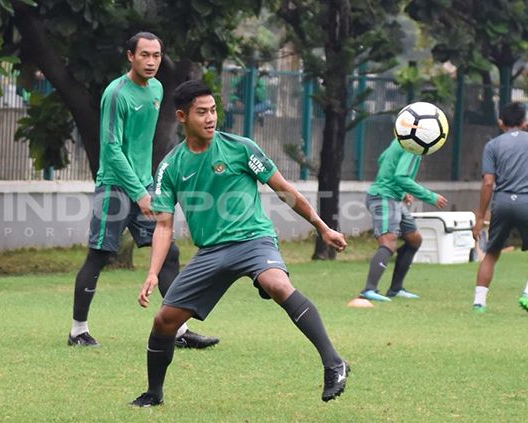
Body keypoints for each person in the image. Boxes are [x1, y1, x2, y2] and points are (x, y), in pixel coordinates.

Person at [129, 80, 349, 407]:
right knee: (164, 321)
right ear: (181, 116)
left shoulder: (240, 148)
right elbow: (163, 225)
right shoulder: (171, 165)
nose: (210, 118)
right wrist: (152, 273)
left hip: (253, 240)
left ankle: (334, 364)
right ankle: (153, 393)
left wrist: (322, 227)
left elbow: (284, 189)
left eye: (213, 110)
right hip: (211, 253)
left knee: (276, 283)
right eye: (201, 112)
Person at [68, 32, 218, 349]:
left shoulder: (157, 89)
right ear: (130, 56)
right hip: (115, 186)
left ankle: (179, 330)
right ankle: (77, 330)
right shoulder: (116, 94)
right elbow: (110, 149)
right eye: (145, 55)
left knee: (169, 254)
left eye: (157, 55)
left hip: (144, 185)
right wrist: (139, 192)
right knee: (99, 255)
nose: (151, 61)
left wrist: (149, 185)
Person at [472, 102, 528, 316]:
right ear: (525, 123)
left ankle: (479, 303)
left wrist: (480, 217)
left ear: (500, 122)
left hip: (502, 202)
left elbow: (488, 182)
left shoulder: (492, 145)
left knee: (491, 253)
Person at [359, 139, 448, 302]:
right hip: (383, 197)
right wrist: (431, 197)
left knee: (414, 239)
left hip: (393, 198)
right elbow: (401, 177)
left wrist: (402, 191)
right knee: (388, 241)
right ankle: (368, 290)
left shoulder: (400, 141)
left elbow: (382, 158)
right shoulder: (413, 146)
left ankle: (395, 289)